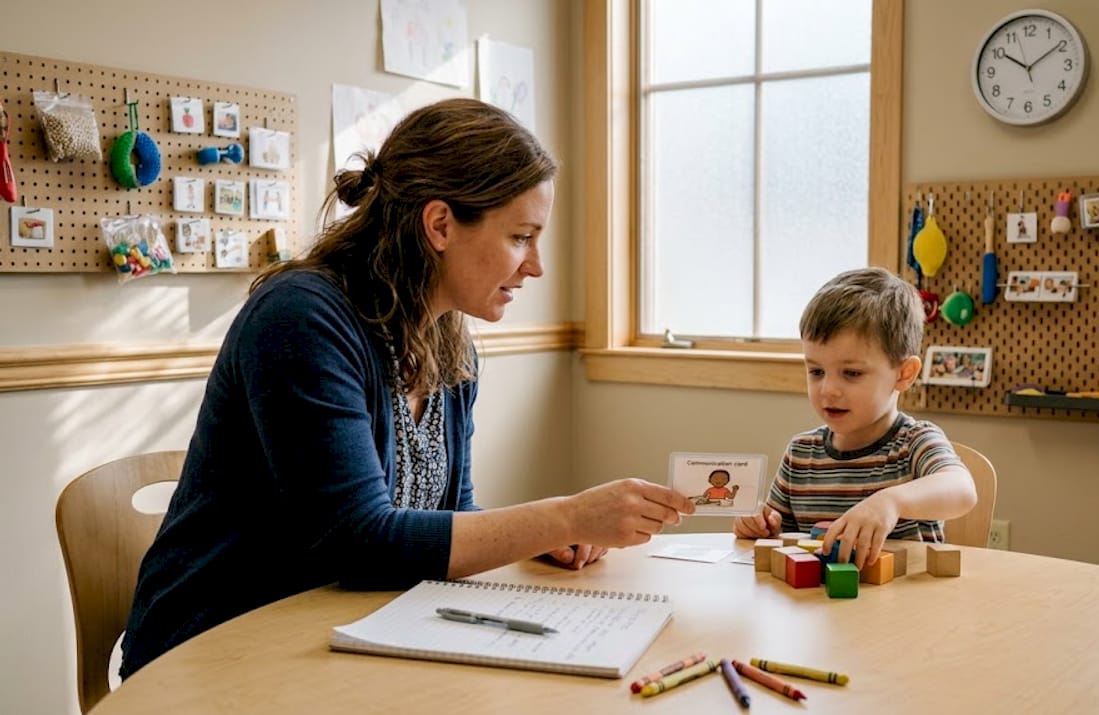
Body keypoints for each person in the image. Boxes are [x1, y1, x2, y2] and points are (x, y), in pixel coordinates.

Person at [121, 98, 694, 678]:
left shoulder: (451, 341)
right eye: (522, 236)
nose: (536, 266)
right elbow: (357, 541)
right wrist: (562, 519)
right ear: (440, 223)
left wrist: (530, 537)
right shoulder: (300, 318)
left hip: (342, 641)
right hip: (211, 653)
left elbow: (452, 512)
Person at [733, 267, 977, 569]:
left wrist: (890, 502)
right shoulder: (801, 454)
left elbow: (962, 490)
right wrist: (760, 525)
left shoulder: (914, 443)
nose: (829, 390)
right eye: (816, 371)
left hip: (908, 610)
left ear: (904, 374)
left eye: (852, 373)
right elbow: (779, 534)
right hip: (818, 611)